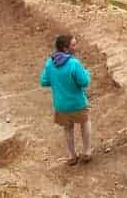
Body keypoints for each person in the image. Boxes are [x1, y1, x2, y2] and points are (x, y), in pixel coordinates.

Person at [40, 34, 92, 165]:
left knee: (67, 129)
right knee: (85, 123)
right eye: (73, 45)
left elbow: (44, 81)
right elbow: (84, 82)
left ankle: (71, 155)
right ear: (65, 48)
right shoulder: (74, 63)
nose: (76, 47)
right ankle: (86, 152)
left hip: (61, 105)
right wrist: (86, 73)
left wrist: (57, 82)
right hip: (77, 103)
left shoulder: (50, 63)